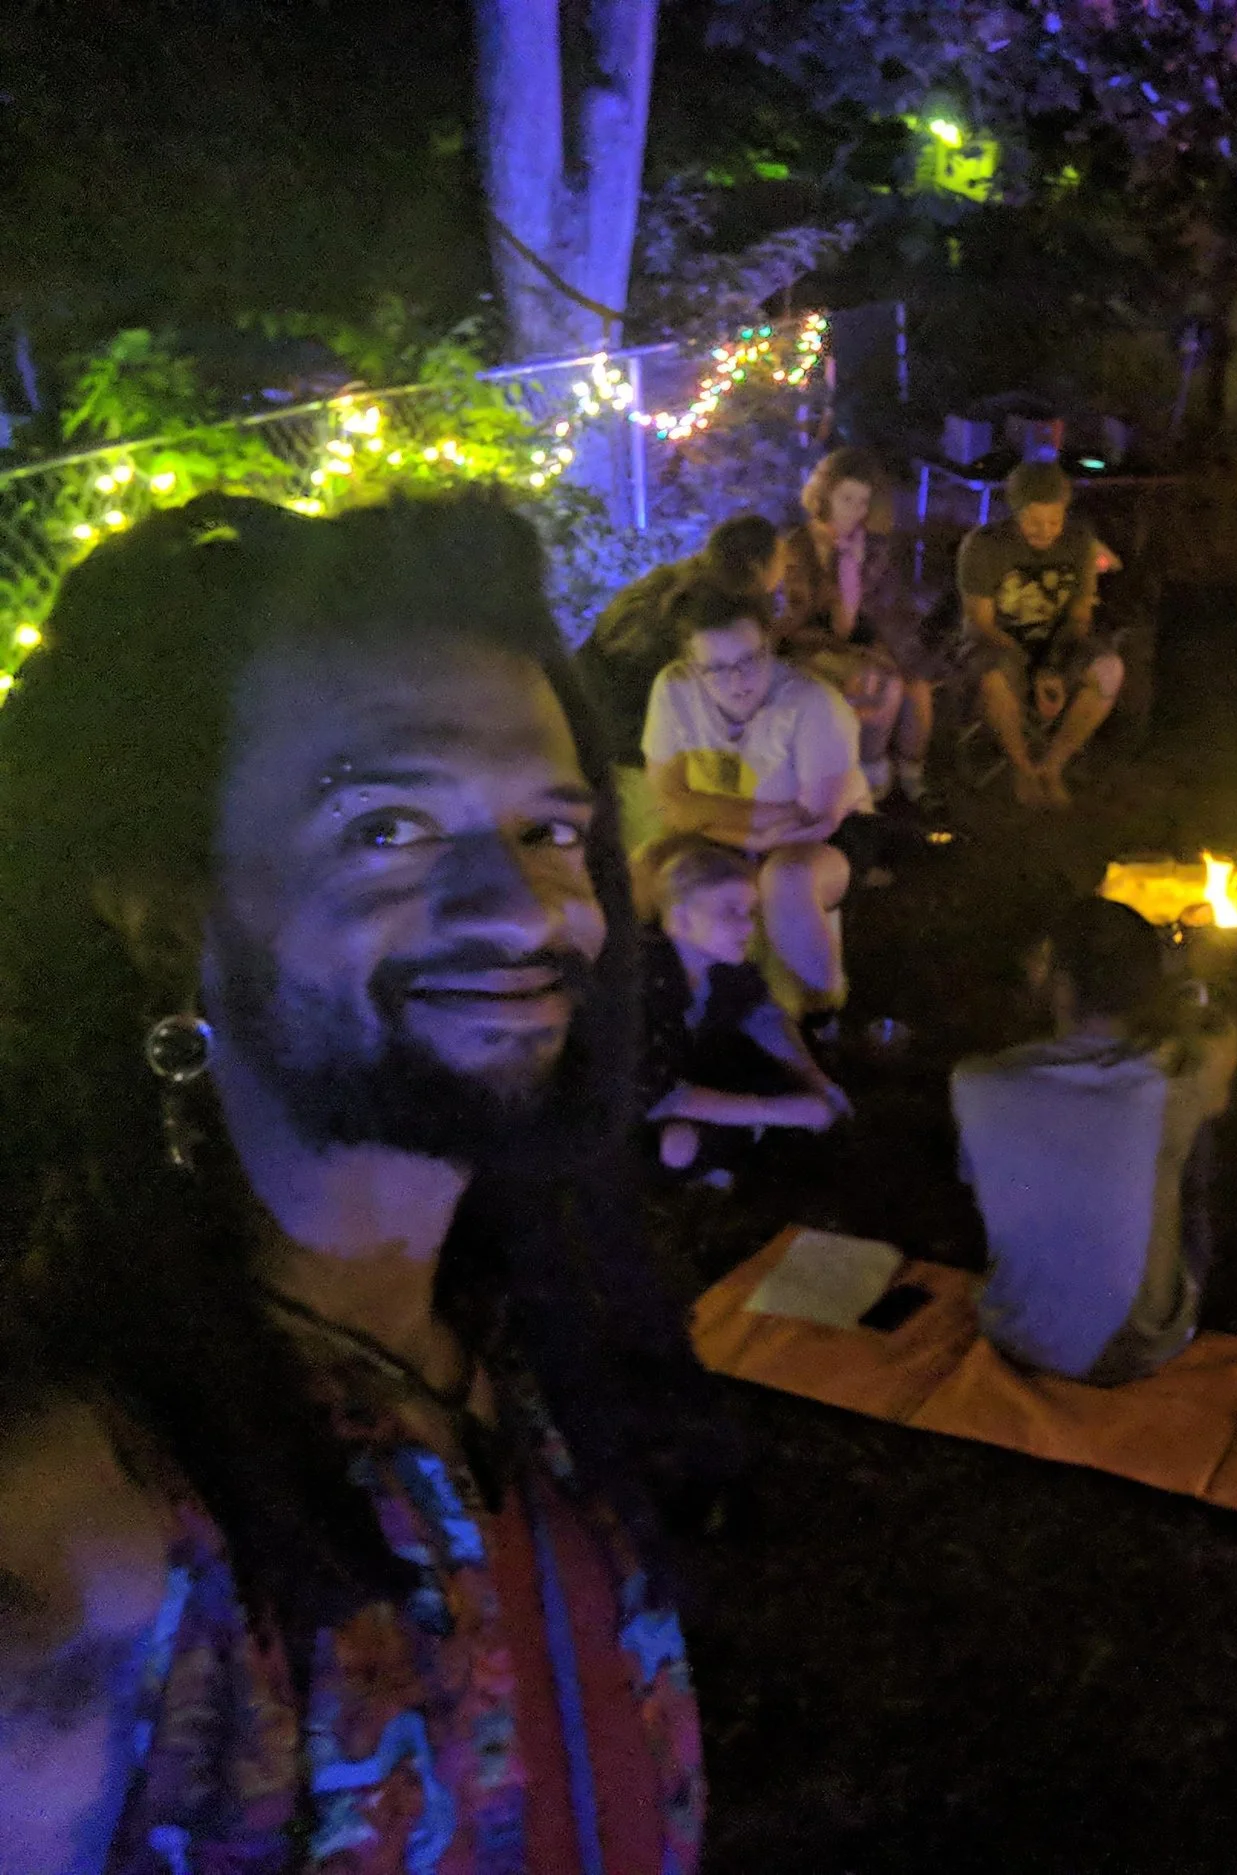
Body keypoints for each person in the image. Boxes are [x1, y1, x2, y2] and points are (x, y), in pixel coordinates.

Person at [0, 495, 706, 1871]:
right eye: (385, 823)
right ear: (164, 912)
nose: (522, 906)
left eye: (553, 828)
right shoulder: (82, 1547)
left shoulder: (529, 1347)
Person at [952, 898, 1237, 1384]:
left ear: (1062, 989)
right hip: (1143, 1346)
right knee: (1189, 1139)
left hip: (1016, 1332)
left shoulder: (976, 1082)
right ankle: (1163, 1280)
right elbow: (1218, 1028)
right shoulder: (1183, 1073)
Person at [641, 580, 873, 1017]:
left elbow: (817, 818)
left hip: (833, 834)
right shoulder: (673, 691)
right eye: (717, 668)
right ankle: (641, 1007)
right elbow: (669, 799)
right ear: (692, 669)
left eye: (749, 660)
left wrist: (706, 817)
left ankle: (818, 1016)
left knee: (785, 880)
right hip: (745, 831)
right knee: (645, 869)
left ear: (769, 646)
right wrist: (760, 831)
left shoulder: (811, 705)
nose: (738, 680)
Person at [640, 834, 849, 1183]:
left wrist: (813, 1077)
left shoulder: (724, 963)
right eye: (730, 912)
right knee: (677, 1146)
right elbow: (657, 1093)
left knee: (786, 1073)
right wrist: (779, 1111)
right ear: (681, 919)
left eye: (750, 912)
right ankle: (745, 1138)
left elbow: (763, 1015)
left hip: (694, 1068)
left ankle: (744, 1136)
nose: (748, 927)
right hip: (634, 1103)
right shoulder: (643, 979)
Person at [774, 448, 938, 806]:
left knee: (916, 687)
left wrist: (889, 647)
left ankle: (911, 778)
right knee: (882, 685)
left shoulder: (869, 547)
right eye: (846, 498)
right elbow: (791, 620)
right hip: (809, 643)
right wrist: (838, 579)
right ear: (824, 495)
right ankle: (869, 773)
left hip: (858, 640)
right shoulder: (796, 547)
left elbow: (884, 609)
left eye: (863, 502)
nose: (854, 511)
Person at [956, 458, 1124, 808]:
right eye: (1033, 520)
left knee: (1110, 670)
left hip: (1056, 644)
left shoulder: (1079, 544)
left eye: (1054, 520)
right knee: (993, 674)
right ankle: (1023, 769)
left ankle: (1052, 766)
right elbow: (982, 624)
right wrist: (1031, 670)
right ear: (1015, 512)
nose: (1045, 530)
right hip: (999, 645)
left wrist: (1053, 666)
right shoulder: (985, 546)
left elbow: (1079, 616)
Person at [578, 511, 781, 766]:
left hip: (592, 704)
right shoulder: (710, 608)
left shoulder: (678, 577)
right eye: (781, 561)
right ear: (756, 566)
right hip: (627, 725)